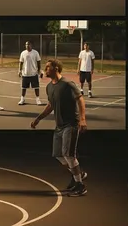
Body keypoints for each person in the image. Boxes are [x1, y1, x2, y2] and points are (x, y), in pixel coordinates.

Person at [30, 59, 88, 195]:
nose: (45, 69)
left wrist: (83, 119)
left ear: (56, 68)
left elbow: (80, 98)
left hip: (71, 124)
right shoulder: (49, 87)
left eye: (48, 67)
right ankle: (78, 174)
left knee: (68, 154)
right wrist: (38, 118)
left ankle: (80, 185)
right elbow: (50, 105)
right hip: (59, 126)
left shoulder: (68, 84)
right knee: (58, 155)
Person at [18, 41, 43, 105]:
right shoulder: (23, 53)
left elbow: (38, 62)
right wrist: (19, 70)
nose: (27, 46)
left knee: (36, 87)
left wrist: (39, 70)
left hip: (34, 73)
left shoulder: (35, 53)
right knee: (23, 87)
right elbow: (21, 62)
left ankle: (38, 100)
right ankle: (22, 99)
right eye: (26, 44)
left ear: (31, 45)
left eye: (28, 44)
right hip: (25, 73)